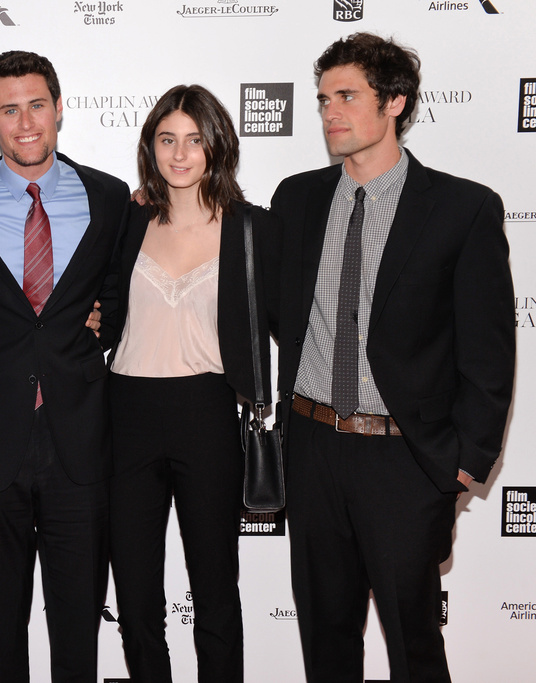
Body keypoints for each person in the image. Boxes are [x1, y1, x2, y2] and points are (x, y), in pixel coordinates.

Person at [269, 33, 514, 682]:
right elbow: (260, 304)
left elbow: (489, 355)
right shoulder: (295, 200)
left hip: (405, 460)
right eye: (323, 99)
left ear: (396, 103)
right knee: (326, 644)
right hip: (314, 450)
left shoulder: (463, 209)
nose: (330, 113)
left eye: (347, 97)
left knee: (413, 647)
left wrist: (463, 466)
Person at [0, 50, 130, 683]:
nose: (25, 123)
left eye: (36, 104)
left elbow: (125, 298)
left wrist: (108, 321)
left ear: (60, 108)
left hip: (82, 444)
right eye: (8, 110)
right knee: (2, 627)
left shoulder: (111, 196)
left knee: (78, 628)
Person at [101, 85, 279, 683]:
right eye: (167, 139)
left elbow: (292, 320)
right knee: (135, 590)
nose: (180, 154)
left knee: (215, 590)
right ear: (151, 147)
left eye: (194, 140)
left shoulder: (251, 229)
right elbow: (95, 305)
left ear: (217, 145)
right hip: (126, 414)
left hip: (206, 413)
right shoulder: (126, 221)